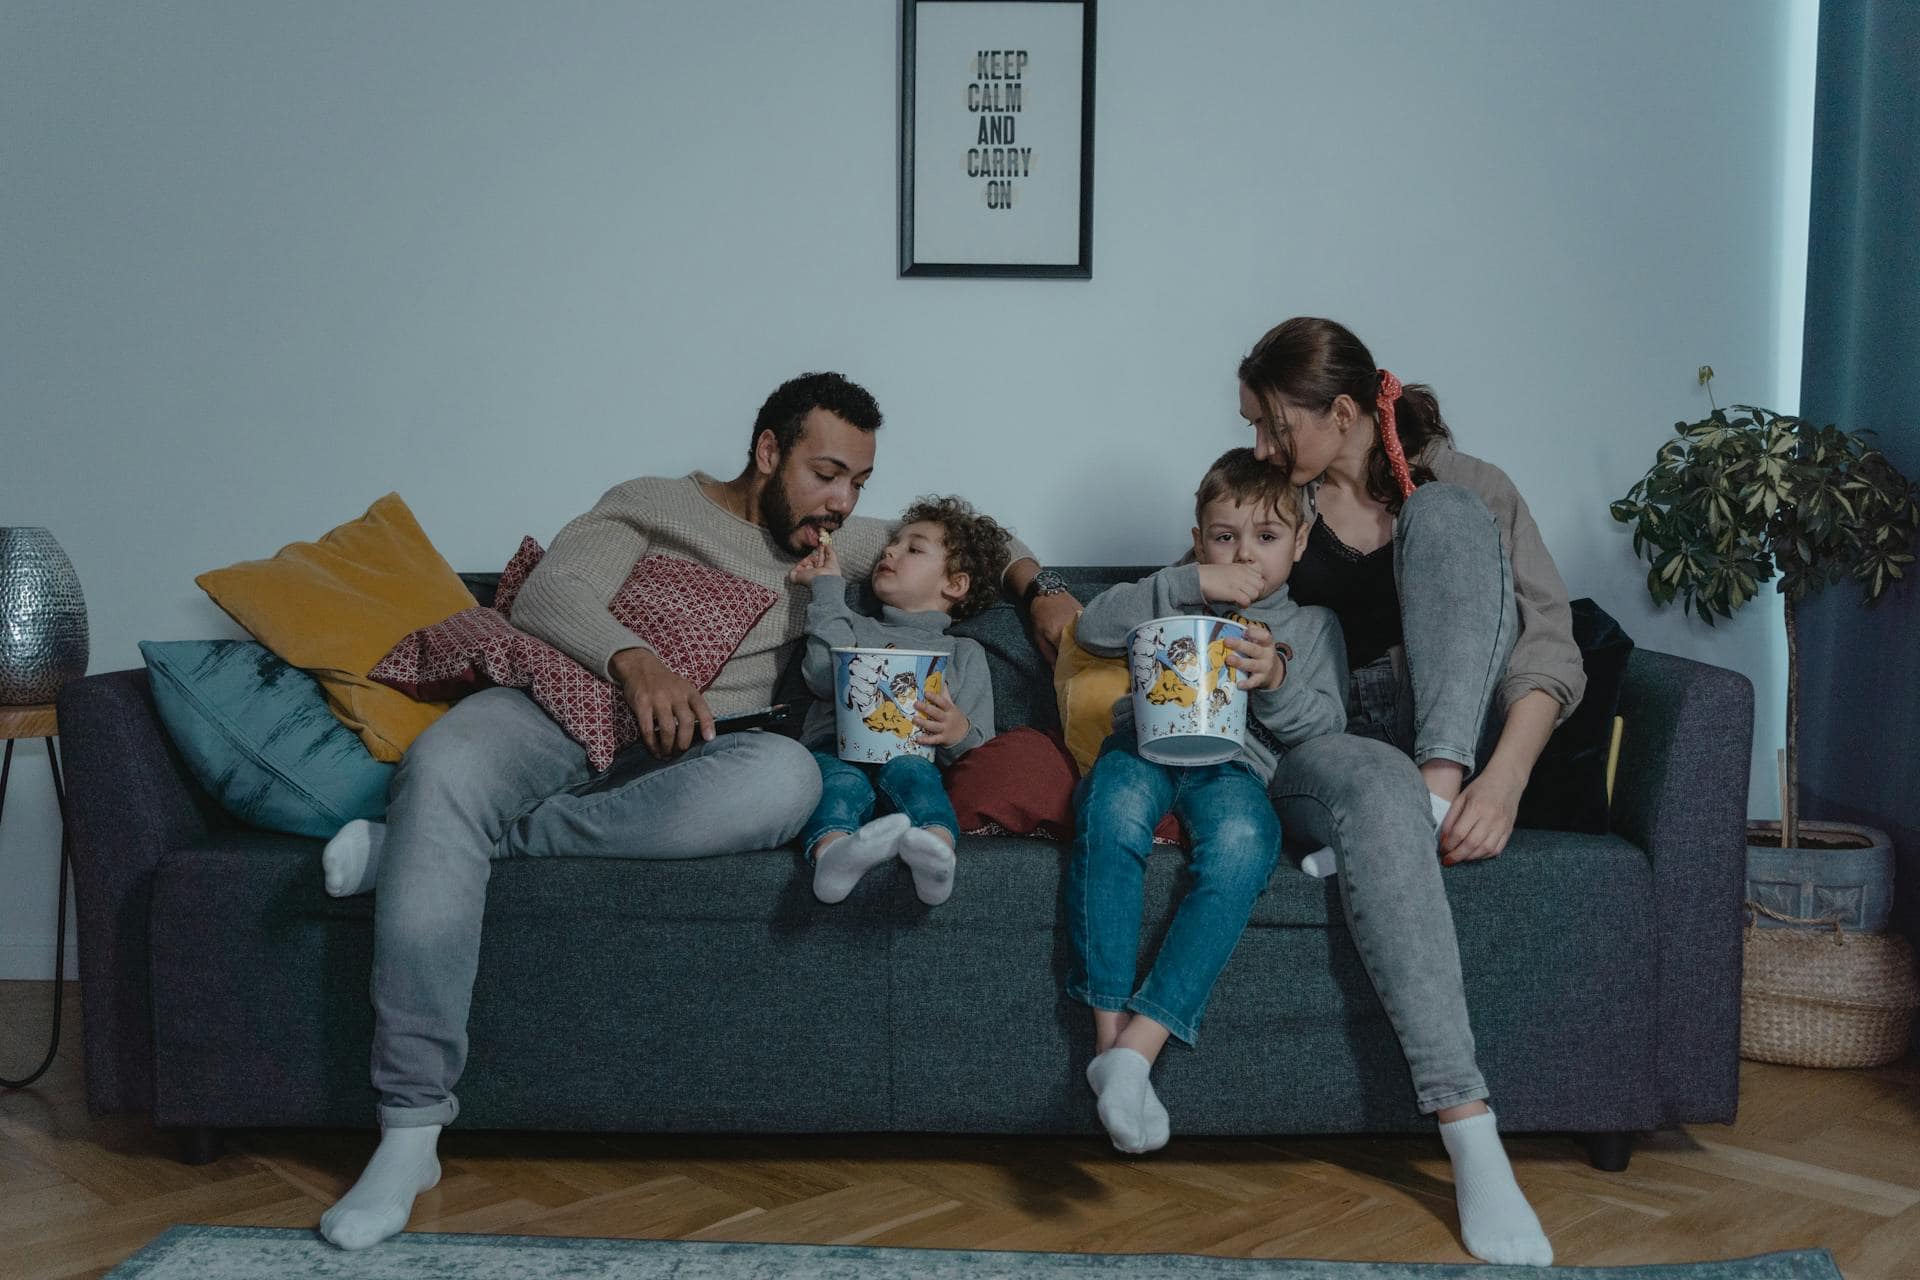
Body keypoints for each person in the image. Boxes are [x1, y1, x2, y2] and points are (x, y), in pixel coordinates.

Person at [317, 372, 1053, 1250]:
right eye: (826, 473)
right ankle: (410, 1130)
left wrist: (1044, 593)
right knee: (443, 767)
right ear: (769, 452)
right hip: (561, 707)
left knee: (791, 779)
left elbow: (982, 541)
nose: (846, 502)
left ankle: (430, 848)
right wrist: (634, 661)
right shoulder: (652, 503)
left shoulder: (838, 542)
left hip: (702, 753)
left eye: (859, 482)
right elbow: (554, 592)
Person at [1238, 316, 1583, 1267]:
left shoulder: (1474, 490)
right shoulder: (1273, 497)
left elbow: (1550, 647)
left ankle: (1433, 790)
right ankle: (1471, 1132)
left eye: (1275, 427)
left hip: (1460, 742)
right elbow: (1207, 596)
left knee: (1446, 517)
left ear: (1342, 411)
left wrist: (1502, 779)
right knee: (1375, 783)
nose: (1261, 448)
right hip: (1327, 750)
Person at [1067, 448, 1345, 1153]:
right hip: (1144, 748)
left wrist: (1276, 677)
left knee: (1247, 847)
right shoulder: (1173, 590)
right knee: (1111, 814)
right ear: (1199, 538)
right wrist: (1191, 581)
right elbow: (1091, 629)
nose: (1244, 555)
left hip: (1234, 770)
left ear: (1301, 542)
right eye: (1225, 536)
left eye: (1267, 537)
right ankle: (1108, 1044)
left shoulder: (1312, 628)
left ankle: (1138, 1050)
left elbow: (1327, 730)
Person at [787, 495, 1012, 906]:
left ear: (955, 584)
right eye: (893, 542)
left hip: (910, 759)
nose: (890, 550)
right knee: (835, 782)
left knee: (917, 776)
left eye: (914, 547)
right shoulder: (849, 623)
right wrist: (827, 587)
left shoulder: (962, 653)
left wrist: (957, 731)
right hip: (833, 752)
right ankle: (832, 854)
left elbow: (981, 749)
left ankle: (936, 852)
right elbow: (821, 677)